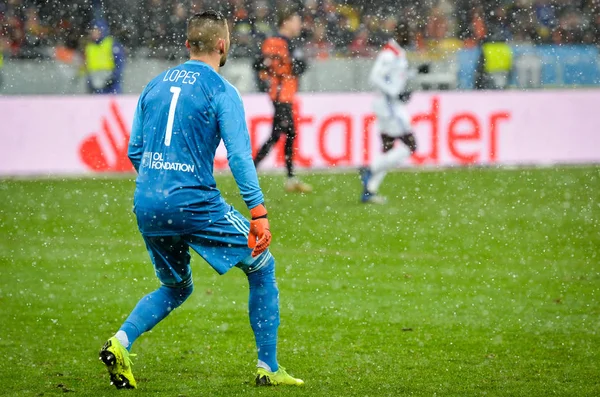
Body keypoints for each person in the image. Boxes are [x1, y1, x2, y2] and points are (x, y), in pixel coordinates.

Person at [98, 10, 304, 389]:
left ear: (188, 43)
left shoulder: (155, 84)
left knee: (176, 287)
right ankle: (268, 367)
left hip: (147, 201)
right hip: (193, 202)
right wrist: (258, 211)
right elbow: (241, 157)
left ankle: (120, 342)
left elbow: (134, 150)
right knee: (262, 265)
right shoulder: (221, 90)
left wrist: (161, 182)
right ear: (223, 45)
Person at [253, 8, 312, 193]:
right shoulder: (278, 42)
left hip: (285, 93)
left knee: (283, 133)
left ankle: (289, 178)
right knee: (282, 134)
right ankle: (253, 172)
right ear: (285, 22)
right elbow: (261, 65)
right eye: (295, 20)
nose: (299, 24)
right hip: (280, 94)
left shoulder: (287, 42)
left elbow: (298, 67)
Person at [359, 24, 418, 204]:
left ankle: (369, 192)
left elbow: (396, 77)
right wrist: (395, 93)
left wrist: (416, 72)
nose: (411, 37)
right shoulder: (388, 54)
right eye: (408, 33)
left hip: (388, 104)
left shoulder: (398, 52)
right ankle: (370, 168)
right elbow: (374, 77)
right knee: (411, 145)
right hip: (388, 106)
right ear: (400, 34)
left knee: (388, 148)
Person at [84, 18, 125, 94]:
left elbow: (120, 62)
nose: (94, 33)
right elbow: (87, 65)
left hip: (111, 84)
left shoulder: (111, 44)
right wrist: (89, 81)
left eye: (97, 30)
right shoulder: (89, 47)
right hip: (95, 84)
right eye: (93, 31)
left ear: (102, 31)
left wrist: (113, 77)